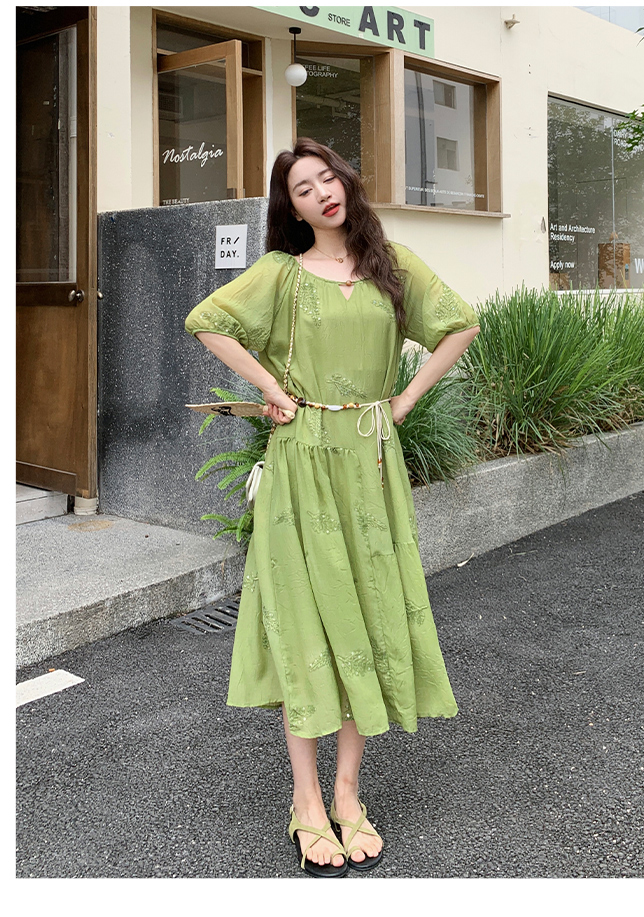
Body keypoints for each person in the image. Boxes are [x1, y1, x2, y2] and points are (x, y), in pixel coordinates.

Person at [185, 137, 480, 877]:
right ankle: (307, 800)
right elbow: (208, 320)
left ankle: (348, 793)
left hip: (371, 462)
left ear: (346, 181)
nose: (322, 192)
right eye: (303, 188)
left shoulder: (391, 264)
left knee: (367, 617)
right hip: (302, 460)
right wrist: (273, 390)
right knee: (307, 623)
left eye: (328, 177)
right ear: (291, 208)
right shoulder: (281, 273)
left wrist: (405, 400)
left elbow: (460, 323)